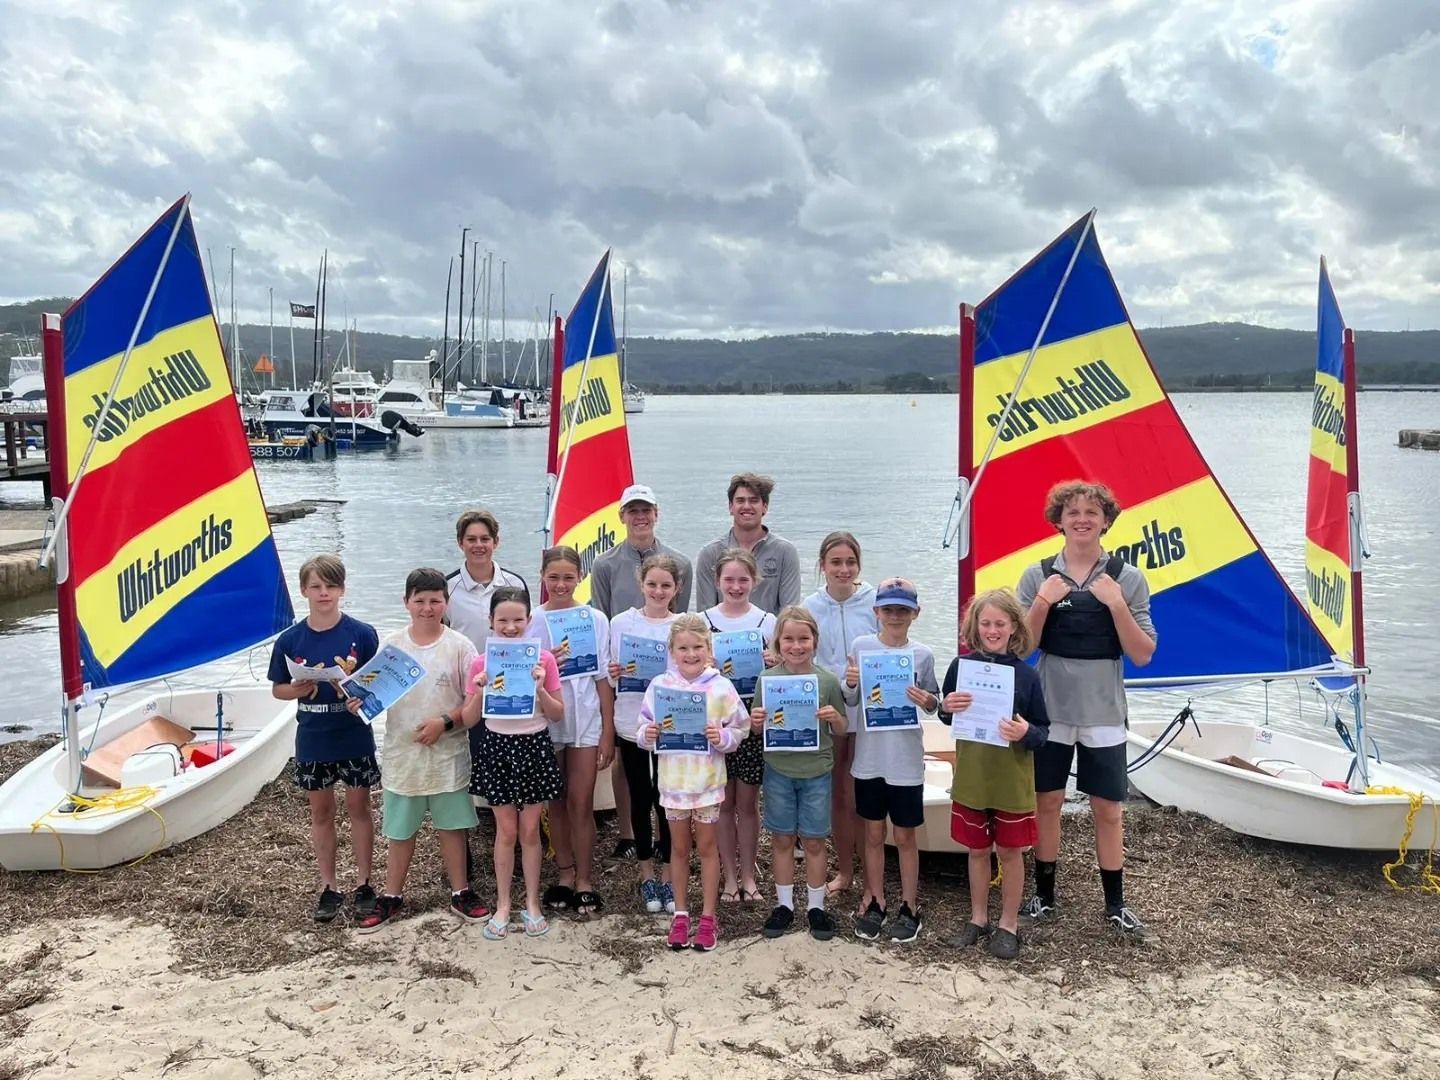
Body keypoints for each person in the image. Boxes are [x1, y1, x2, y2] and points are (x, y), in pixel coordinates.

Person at [1017, 480, 1157, 939]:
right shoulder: (1037, 575)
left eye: (1091, 512)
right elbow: (1022, 649)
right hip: (1051, 709)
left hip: (1103, 712)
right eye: (1073, 511)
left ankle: (1115, 903)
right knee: (1048, 802)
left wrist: (1116, 604)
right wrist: (1042, 602)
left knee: (1109, 809)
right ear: (1059, 521)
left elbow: (1142, 653)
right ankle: (1045, 896)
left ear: (1106, 521)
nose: (1082, 519)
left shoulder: (1128, 578)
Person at [356, 568, 490, 934]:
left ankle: (461, 890)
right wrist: (359, 701)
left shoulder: (461, 647)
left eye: (435, 600)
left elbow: (472, 707)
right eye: (420, 601)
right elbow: (374, 697)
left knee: (452, 827)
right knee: (400, 831)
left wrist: (444, 723)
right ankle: (392, 895)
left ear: (446, 603)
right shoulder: (392, 646)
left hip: (448, 754)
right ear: (406, 603)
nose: (427, 608)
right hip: (403, 753)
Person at [268, 554, 381, 923]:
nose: (323, 593)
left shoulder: (362, 634)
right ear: (303, 591)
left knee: (359, 809)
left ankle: (365, 883)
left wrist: (358, 699)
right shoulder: (290, 639)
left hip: (353, 732)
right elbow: (278, 690)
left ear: (342, 590)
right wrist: (299, 689)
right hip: (313, 734)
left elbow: (375, 687)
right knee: (321, 812)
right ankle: (329, 887)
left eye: (330, 586)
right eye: (316, 586)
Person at [938, 589, 1051, 960]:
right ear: (974, 626)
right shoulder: (960, 667)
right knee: (976, 850)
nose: (992, 630)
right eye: (985, 623)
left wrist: (1025, 733)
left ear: (1013, 627)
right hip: (973, 773)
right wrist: (946, 706)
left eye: (999, 624)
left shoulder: (1027, 675)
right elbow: (946, 714)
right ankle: (977, 918)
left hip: (1011, 777)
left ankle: (1008, 924)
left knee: (1011, 851)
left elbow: (1042, 731)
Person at [590, 483, 692, 860]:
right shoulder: (605, 564)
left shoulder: (679, 561)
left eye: (646, 509)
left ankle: (672, 845)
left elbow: (685, 628)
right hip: (628, 688)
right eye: (633, 510)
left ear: (656, 513)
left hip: (667, 695)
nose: (640, 516)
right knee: (630, 768)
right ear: (622, 516)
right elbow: (600, 618)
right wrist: (612, 669)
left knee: (666, 779)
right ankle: (630, 835)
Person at [636, 614, 749, 952]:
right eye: (683, 648)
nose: (690, 654)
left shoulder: (721, 687)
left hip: (709, 785)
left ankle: (709, 917)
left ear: (708, 649)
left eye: (697, 647)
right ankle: (681, 915)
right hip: (673, 785)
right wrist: (650, 734)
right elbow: (641, 729)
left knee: (707, 850)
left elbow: (740, 728)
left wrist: (723, 737)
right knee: (679, 850)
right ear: (671, 650)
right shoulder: (660, 686)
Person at [842, 577, 940, 944]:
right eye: (888, 609)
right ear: (876, 612)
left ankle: (910, 905)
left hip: (906, 762)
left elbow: (934, 702)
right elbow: (851, 700)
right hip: (869, 759)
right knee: (872, 834)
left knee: (905, 836)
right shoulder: (861, 646)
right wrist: (851, 682)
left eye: (903, 609)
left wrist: (926, 700)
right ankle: (874, 898)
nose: (895, 616)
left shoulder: (924, 654)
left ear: (915, 613)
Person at [467, 587, 566, 940]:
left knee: (529, 831)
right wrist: (479, 691)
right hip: (497, 746)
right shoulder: (480, 662)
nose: (511, 627)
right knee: (506, 831)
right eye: (503, 620)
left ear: (529, 620)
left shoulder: (545, 661)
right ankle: (504, 904)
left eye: (518, 620)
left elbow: (557, 713)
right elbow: (467, 718)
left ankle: (533, 903)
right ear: (491, 621)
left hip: (534, 745)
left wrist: (540, 687)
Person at [527, 547, 617, 915]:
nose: (561, 584)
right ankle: (564, 874)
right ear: (543, 578)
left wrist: (608, 732)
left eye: (568, 577)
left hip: (586, 720)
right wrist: (547, 663)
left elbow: (603, 681)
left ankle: (584, 879)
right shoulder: (532, 619)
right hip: (547, 721)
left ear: (580, 577)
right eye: (554, 577)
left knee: (582, 803)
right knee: (557, 803)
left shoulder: (595, 618)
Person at [750, 606, 848, 941]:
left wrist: (834, 716)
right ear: (778, 642)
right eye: (788, 639)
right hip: (778, 768)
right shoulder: (767, 679)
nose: (796, 645)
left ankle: (816, 907)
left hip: (817, 770)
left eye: (803, 638)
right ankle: (785, 905)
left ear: (815, 641)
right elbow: (753, 725)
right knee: (781, 838)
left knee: (815, 840)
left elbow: (843, 727)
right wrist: (756, 722)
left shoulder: (827, 681)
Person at [802, 531, 877, 898]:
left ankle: (871, 872)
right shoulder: (810, 606)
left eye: (850, 562)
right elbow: (800, 654)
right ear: (822, 566)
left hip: (869, 712)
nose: (843, 569)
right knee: (838, 796)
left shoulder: (876, 601)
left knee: (863, 794)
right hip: (828, 711)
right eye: (835, 562)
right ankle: (846, 871)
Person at [702, 548, 777, 904]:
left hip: (753, 717)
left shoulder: (768, 622)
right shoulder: (701, 620)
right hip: (716, 720)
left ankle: (749, 875)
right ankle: (729, 877)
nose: (736, 586)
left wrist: (775, 662)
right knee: (722, 803)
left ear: (755, 582)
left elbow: (785, 672)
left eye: (743, 579)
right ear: (717, 581)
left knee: (748, 804)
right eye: (729, 579)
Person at [608, 554, 682, 914]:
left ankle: (669, 874)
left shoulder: (684, 624)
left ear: (676, 589)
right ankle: (646, 872)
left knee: (666, 802)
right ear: (641, 585)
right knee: (640, 798)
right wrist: (614, 670)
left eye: (666, 585)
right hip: (631, 722)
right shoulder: (621, 623)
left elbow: (694, 670)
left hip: (671, 727)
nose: (658, 591)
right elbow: (609, 678)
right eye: (652, 584)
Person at [693, 473, 802, 615]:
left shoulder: (785, 552)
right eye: (740, 500)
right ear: (731, 507)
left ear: (764, 507)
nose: (747, 506)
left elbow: (789, 612)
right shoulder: (710, 553)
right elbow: (705, 614)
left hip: (770, 635)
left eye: (753, 500)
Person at [446, 509, 530, 650]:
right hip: (464, 671)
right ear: (460, 543)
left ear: (495, 542)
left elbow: (527, 630)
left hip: (509, 668)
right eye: (471, 539)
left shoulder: (516, 583)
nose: (478, 545)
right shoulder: (447, 587)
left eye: (485, 539)